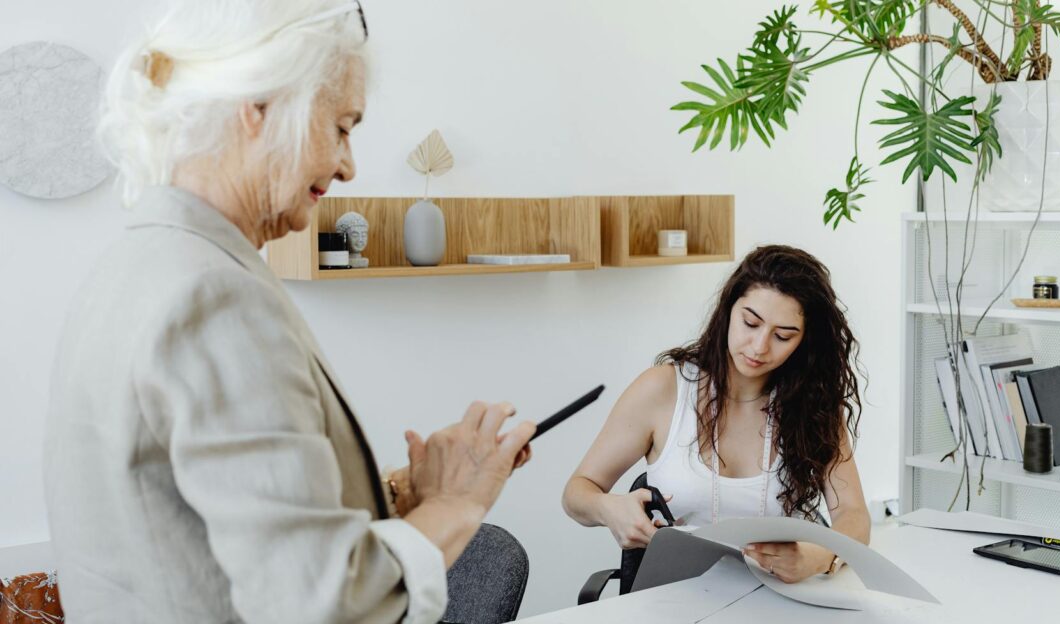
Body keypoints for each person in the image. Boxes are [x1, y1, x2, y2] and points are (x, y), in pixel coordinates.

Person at [42, 2, 533, 622]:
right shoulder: (213, 297)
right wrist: (458, 503)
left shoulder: (131, 266)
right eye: (343, 127)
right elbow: (323, 603)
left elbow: (202, 529)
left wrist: (405, 494)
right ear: (260, 106)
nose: (348, 165)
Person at [563, 245, 870, 583]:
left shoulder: (813, 406)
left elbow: (853, 514)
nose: (759, 347)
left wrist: (823, 556)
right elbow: (577, 492)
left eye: (783, 336)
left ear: (805, 342)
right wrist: (608, 508)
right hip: (673, 601)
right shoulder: (663, 390)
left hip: (774, 601)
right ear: (728, 310)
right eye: (750, 323)